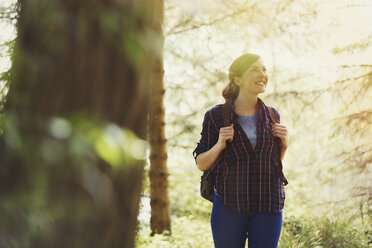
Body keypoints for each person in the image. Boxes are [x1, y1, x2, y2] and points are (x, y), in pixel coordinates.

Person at [193, 53, 288, 248]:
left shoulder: (272, 115)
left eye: (264, 70)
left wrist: (284, 145)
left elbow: (272, 163)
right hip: (230, 204)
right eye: (254, 70)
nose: (262, 74)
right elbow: (201, 164)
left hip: (268, 202)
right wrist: (219, 144)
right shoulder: (216, 116)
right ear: (237, 79)